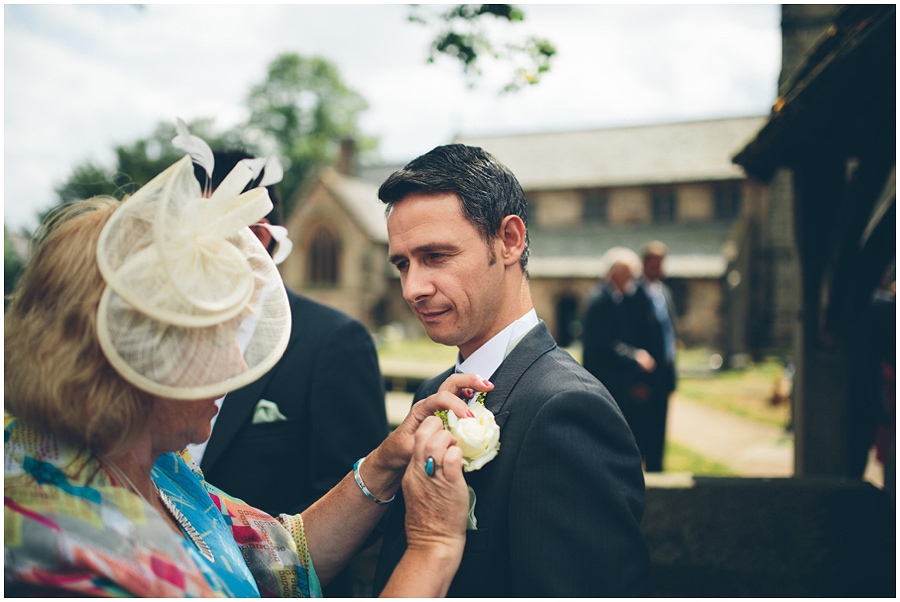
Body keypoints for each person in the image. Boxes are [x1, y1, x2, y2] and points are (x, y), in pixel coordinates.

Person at [4, 135, 488, 597]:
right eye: (214, 336)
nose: (238, 360)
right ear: (138, 351)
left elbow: (284, 558)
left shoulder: (160, 469)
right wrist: (433, 548)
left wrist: (385, 460)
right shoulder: (66, 547)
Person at [371, 144, 649, 596]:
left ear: (509, 241)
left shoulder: (567, 409)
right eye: (402, 264)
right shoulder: (433, 393)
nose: (413, 289)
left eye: (435, 257)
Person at [188, 150, 388, 597]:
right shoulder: (169, 336)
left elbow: (357, 504)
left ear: (258, 237)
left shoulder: (334, 342)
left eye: (196, 235)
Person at [582, 247, 658, 447]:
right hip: (606, 378)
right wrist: (636, 356)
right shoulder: (602, 300)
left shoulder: (614, 298)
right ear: (616, 274)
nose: (632, 280)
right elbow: (605, 344)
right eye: (629, 275)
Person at [630, 241, 678, 473]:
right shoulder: (634, 294)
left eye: (662, 262)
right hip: (644, 377)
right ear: (645, 263)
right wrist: (637, 380)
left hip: (665, 374)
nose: (659, 267)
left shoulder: (665, 292)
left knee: (659, 429)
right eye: (655, 262)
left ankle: (659, 474)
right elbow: (632, 337)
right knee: (641, 432)